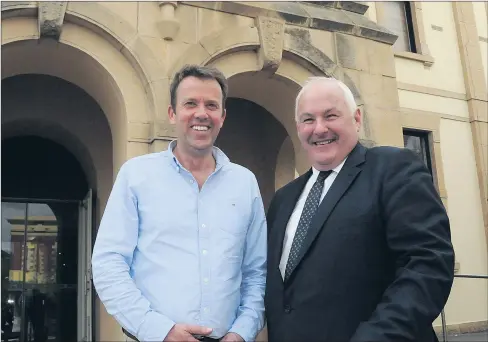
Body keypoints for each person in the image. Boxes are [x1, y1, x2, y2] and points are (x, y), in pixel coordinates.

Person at [264, 77, 455, 342]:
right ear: (298, 127)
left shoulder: (393, 169)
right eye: (308, 120)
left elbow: (427, 264)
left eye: (330, 116)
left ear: (356, 119)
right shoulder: (284, 199)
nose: (319, 129)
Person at [92, 65, 267, 342]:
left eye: (211, 105)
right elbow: (108, 264)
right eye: (190, 103)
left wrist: (241, 333)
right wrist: (160, 330)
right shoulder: (136, 175)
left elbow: (256, 273)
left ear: (222, 116)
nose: (201, 113)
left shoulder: (245, 184)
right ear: (172, 113)